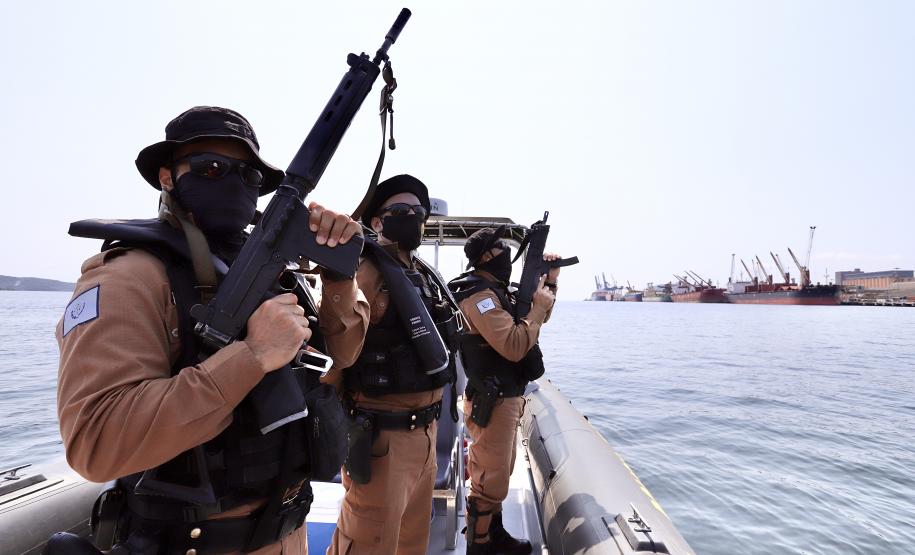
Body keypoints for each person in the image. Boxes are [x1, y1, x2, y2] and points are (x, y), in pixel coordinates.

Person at [54, 106, 370, 555]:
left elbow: (344, 356)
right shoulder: (131, 275)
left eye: (250, 176)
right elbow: (97, 443)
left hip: (289, 531)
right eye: (211, 168)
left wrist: (340, 274)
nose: (234, 183)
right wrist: (251, 355)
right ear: (168, 177)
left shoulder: (273, 271)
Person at [326, 174, 461, 555]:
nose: (412, 217)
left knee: (411, 543)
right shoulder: (367, 271)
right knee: (369, 542)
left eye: (418, 212)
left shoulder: (423, 274)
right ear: (378, 221)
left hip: (426, 434)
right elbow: (338, 350)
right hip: (383, 440)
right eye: (400, 210)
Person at [448, 227, 561, 555]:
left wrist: (550, 283)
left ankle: (492, 534)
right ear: (485, 256)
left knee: (498, 474)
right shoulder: (478, 296)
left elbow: (531, 319)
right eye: (499, 247)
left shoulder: (496, 291)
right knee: (489, 480)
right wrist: (538, 309)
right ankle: (479, 545)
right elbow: (513, 344)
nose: (506, 254)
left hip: (505, 397)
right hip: (492, 399)